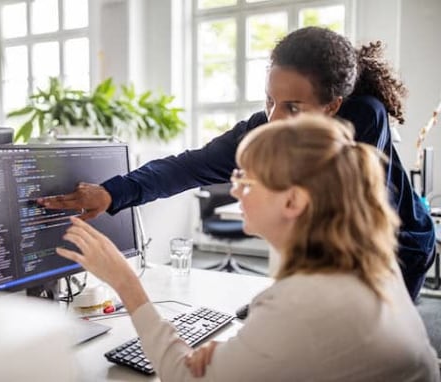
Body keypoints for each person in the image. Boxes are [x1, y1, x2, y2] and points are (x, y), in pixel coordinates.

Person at [39, 26, 435, 300]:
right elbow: (190, 166)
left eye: (293, 107)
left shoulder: (363, 116)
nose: (275, 118)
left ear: (332, 106)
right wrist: (111, 193)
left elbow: (345, 218)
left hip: (400, 246)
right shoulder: (267, 126)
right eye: (270, 100)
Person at [56, 114, 440, 381]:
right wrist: (238, 355)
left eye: (246, 178)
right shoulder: (363, 264)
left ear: (293, 202)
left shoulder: (306, 302)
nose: (234, 188)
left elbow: (181, 375)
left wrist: (124, 281)